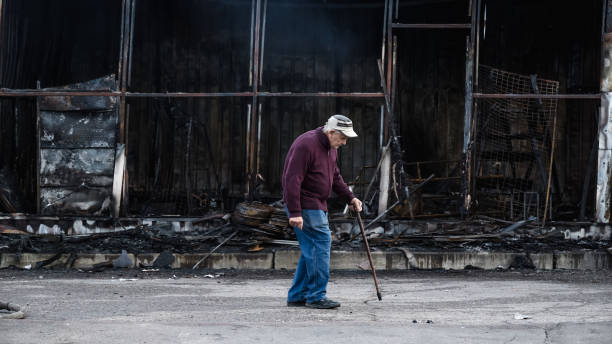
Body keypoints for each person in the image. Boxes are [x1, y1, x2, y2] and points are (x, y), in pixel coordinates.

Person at [282, 114, 363, 309]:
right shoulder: (306, 144)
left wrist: (350, 198)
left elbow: (335, 176)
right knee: (321, 244)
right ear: (331, 131)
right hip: (305, 205)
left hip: (317, 204)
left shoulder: (330, 147)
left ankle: (298, 295)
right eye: (342, 138)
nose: (344, 143)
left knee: (311, 249)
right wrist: (294, 212)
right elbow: (291, 179)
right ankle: (316, 296)